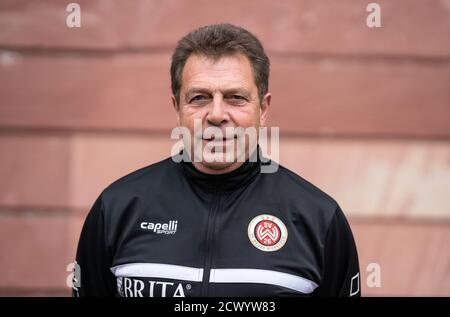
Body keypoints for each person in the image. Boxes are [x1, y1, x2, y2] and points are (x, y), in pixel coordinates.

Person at [73, 23, 360, 297]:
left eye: (235, 97)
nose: (217, 114)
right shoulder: (117, 208)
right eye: (199, 97)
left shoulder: (319, 218)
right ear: (177, 108)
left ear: (263, 108)